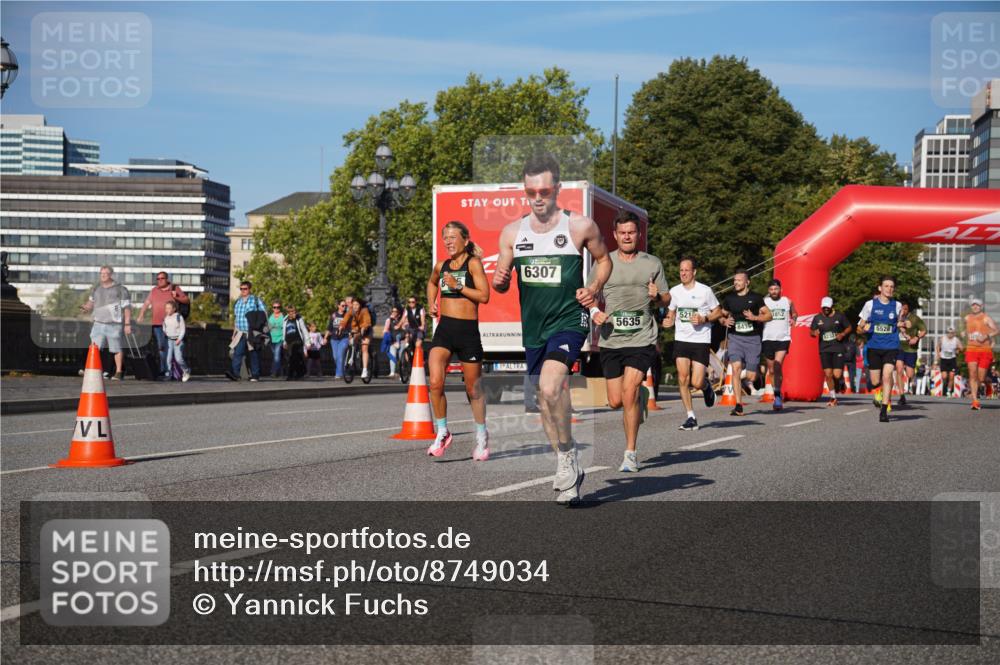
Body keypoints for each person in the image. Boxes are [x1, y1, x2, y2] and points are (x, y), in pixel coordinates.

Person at [492, 153, 612, 505]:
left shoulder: (579, 226)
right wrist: (500, 281)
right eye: (531, 192)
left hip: (569, 319)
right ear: (525, 192)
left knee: (550, 384)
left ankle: (565, 460)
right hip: (533, 328)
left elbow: (604, 260)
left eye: (544, 190)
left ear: (557, 189)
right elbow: (501, 280)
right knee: (543, 402)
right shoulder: (512, 233)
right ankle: (567, 456)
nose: (538, 197)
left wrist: (593, 288)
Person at [589, 211, 670, 472]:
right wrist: (594, 313)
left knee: (629, 391)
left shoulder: (651, 263)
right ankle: (640, 396)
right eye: (622, 232)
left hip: (642, 338)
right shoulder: (604, 263)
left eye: (631, 232)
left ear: (638, 234)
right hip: (612, 340)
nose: (627, 236)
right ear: (615, 235)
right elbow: (588, 295)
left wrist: (657, 297)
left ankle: (630, 453)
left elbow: (667, 299)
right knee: (615, 401)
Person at [425, 221, 491, 461]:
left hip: (468, 333)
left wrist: (458, 286)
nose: (449, 242)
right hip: (444, 331)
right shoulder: (441, 266)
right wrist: (432, 302)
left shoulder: (473, 264)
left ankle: (482, 436)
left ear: (465, 239)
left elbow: (484, 296)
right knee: (434, 382)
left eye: (453, 237)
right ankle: (442, 431)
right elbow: (432, 282)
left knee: (473, 389)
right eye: (445, 238)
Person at [664, 257, 723, 431]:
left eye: (686, 270)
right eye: (681, 270)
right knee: (683, 378)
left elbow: (718, 312)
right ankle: (691, 416)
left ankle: (706, 387)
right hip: (681, 339)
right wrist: (668, 320)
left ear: (694, 272)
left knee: (696, 382)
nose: (683, 273)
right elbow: (671, 312)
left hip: (700, 340)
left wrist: (704, 318)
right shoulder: (675, 291)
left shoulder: (705, 291)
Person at [858, 276, 909, 422]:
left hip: (891, 346)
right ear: (880, 288)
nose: (889, 289)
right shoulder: (870, 305)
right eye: (886, 286)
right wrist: (863, 328)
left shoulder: (897, 305)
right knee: (875, 381)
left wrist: (904, 324)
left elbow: (900, 322)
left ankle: (884, 410)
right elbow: (859, 327)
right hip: (874, 346)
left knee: (887, 376)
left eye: (892, 286)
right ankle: (878, 392)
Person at [720, 270, 771, 416]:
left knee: (751, 376)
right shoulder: (729, 299)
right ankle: (738, 405)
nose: (736, 283)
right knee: (735, 368)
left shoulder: (756, 298)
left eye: (739, 280)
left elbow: (768, 315)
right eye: (734, 280)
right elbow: (720, 315)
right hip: (735, 338)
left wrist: (755, 317)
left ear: (747, 282)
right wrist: (724, 321)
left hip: (753, 340)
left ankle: (755, 376)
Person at [80, 265, 132, 380]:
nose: (103, 275)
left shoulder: (121, 289)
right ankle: (95, 371)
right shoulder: (96, 288)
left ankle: (118, 372)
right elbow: (91, 303)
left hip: (114, 324)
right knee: (94, 348)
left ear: (111, 275)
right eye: (101, 273)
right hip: (98, 323)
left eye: (106, 273)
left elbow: (127, 307)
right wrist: (86, 308)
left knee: (116, 348)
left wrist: (127, 324)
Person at [135, 271, 190, 379]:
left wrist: (177, 297)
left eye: (162, 278)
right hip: (157, 324)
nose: (160, 280)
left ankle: (177, 371)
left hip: (173, 326)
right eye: (158, 279)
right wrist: (141, 315)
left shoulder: (174, 288)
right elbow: (146, 303)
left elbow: (187, 300)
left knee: (172, 350)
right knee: (162, 348)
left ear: (167, 278)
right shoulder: (154, 290)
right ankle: (165, 370)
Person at [761, 278, 796, 411]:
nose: (773, 291)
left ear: (781, 289)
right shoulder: (764, 302)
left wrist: (794, 319)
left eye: (776, 289)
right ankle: (777, 392)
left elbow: (795, 312)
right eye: (771, 289)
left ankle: (777, 396)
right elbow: (759, 315)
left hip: (783, 338)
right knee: (771, 369)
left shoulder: (787, 301)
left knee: (777, 364)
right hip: (768, 338)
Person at [810, 296, 852, 407]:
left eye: (828, 307)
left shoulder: (839, 316)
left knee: (836, 375)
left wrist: (842, 334)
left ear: (832, 306)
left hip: (837, 347)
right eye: (824, 307)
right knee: (828, 374)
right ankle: (833, 397)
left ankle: (840, 381)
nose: (826, 309)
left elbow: (849, 327)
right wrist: (814, 333)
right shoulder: (817, 318)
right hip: (824, 349)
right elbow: (811, 331)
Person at [962, 298, 998, 411]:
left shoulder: (986, 318)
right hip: (971, 349)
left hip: (985, 350)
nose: (975, 307)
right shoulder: (967, 318)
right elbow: (965, 329)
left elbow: (997, 330)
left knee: (980, 377)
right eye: (973, 305)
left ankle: (986, 382)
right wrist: (964, 332)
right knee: (972, 374)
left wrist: (986, 336)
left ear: (981, 306)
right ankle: (975, 401)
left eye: (977, 305)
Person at [226, 281, 266, 382]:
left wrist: (261, 330)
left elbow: (263, 314)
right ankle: (235, 374)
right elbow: (237, 318)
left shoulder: (256, 300)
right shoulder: (238, 302)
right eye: (241, 289)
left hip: (252, 332)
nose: (243, 291)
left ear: (249, 289)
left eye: (245, 289)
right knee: (237, 353)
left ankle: (255, 375)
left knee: (253, 353)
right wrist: (234, 333)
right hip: (240, 332)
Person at [892, 300, 926, 406]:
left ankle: (911, 381)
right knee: (899, 370)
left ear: (909, 310)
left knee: (910, 374)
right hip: (898, 348)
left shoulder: (915, 319)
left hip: (911, 349)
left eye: (905, 309)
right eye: (901, 309)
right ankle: (902, 396)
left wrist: (916, 338)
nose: (903, 311)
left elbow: (924, 330)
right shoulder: (895, 317)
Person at [340, 299, 373, 379]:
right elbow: (345, 319)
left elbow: (367, 321)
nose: (355, 306)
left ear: (360, 305)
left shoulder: (364, 310)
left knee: (364, 348)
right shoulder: (351, 310)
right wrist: (341, 327)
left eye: (357, 305)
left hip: (366, 330)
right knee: (351, 340)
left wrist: (364, 327)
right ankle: (352, 354)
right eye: (353, 304)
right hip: (356, 329)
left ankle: (365, 370)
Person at [162, 300, 191, 382]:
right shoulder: (166, 318)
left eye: (169, 308)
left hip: (178, 340)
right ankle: (168, 374)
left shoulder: (179, 317)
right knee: (167, 359)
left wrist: (179, 339)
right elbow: (164, 327)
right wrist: (165, 332)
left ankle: (186, 371)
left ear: (174, 309)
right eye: (166, 308)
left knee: (178, 358)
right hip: (169, 340)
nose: (167, 310)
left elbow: (183, 329)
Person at [282, 304, 308, 380]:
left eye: (294, 311)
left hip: (298, 341)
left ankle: (296, 374)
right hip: (289, 342)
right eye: (291, 312)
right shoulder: (285, 320)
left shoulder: (299, 319)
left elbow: (304, 330)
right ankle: (294, 374)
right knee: (290, 359)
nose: (293, 313)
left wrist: (308, 342)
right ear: (288, 312)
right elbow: (284, 331)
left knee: (296, 358)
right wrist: (284, 342)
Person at [325, 300, 350, 380]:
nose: (344, 307)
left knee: (340, 355)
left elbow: (351, 327)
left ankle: (338, 374)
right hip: (334, 339)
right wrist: (325, 338)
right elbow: (329, 328)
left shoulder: (347, 315)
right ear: (338, 306)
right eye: (342, 305)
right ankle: (342, 371)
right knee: (335, 357)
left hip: (344, 338)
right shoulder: (334, 315)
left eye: (345, 306)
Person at [935, 327, 963, 397]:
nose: (950, 334)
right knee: (944, 377)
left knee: (952, 376)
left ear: (954, 333)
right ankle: (945, 385)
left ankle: (949, 390)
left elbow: (961, 348)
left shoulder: (956, 340)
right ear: (946, 333)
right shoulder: (942, 338)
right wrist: (938, 354)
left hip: (952, 359)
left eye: (951, 333)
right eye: (948, 333)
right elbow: (938, 346)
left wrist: (958, 350)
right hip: (944, 359)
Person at [381, 306, 403, 378]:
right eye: (392, 311)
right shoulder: (389, 320)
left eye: (395, 311)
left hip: (402, 341)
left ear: (399, 313)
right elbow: (385, 329)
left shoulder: (402, 320)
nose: (393, 313)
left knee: (400, 356)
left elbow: (404, 330)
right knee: (392, 355)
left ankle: (401, 372)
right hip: (392, 341)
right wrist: (386, 335)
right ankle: (392, 372)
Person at [267, 300, 286, 378]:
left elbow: (285, 327)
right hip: (272, 339)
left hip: (280, 338)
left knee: (276, 356)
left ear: (280, 308)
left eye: (278, 307)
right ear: (272, 308)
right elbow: (267, 327)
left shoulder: (283, 316)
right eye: (274, 307)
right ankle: (281, 371)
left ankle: (273, 372)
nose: (276, 309)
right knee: (277, 356)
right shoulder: (270, 316)